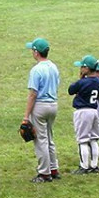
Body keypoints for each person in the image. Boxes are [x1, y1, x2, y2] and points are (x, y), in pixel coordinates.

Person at [23, 37, 60, 182]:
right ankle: (53, 168)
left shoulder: (36, 70)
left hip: (40, 106)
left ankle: (44, 173)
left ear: (37, 52)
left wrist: (26, 116)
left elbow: (33, 94)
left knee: (41, 140)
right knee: (49, 138)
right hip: (53, 104)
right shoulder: (54, 67)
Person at [68, 55, 99, 174]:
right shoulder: (98, 82)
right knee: (93, 139)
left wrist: (81, 78)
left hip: (82, 111)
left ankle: (84, 166)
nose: (81, 69)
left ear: (87, 68)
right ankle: (94, 165)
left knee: (83, 140)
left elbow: (70, 90)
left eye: (82, 67)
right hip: (94, 111)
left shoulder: (82, 82)